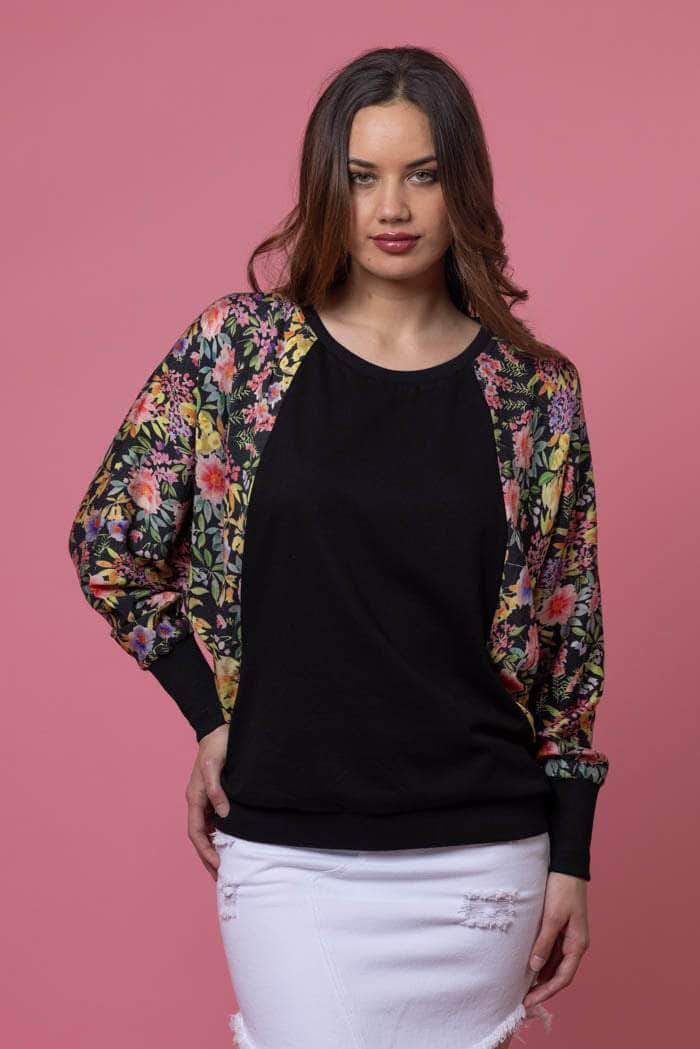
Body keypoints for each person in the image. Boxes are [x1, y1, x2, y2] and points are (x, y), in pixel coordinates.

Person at [67, 45, 610, 1049]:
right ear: (329, 186)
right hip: (290, 852)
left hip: (483, 857)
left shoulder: (535, 394)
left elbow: (567, 643)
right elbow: (111, 541)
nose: (391, 208)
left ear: (463, 186)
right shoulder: (239, 353)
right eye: (363, 177)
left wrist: (570, 857)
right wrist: (210, 715)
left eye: (422, 174)